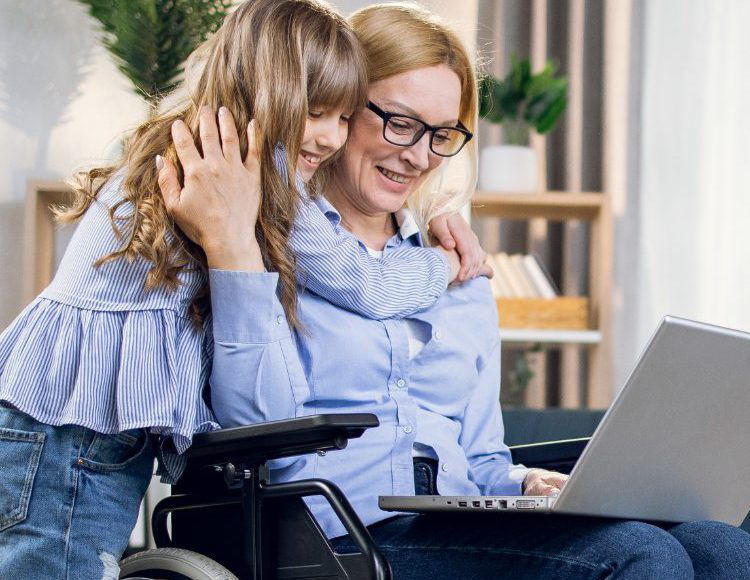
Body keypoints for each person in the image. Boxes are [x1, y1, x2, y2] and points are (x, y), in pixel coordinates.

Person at [160, 2, 750, 579]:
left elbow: (483, 456)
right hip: (336, 532)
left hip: (455, 524)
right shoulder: (255, 237)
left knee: (720, 545)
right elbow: (250, 427)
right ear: (335, 106)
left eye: (442, 135)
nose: (417, 155)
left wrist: (524, 483)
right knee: (642, 556)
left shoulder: (458, 273)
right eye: (399, 121)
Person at [0, 1, 485, 578]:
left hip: (72, 417)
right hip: (68, 420)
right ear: (267, 93)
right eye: (318, 113)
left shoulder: (191, 142)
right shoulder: (249, 171)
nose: (330, 137)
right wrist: (442, 265)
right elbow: (367, 285)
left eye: (341, 117)